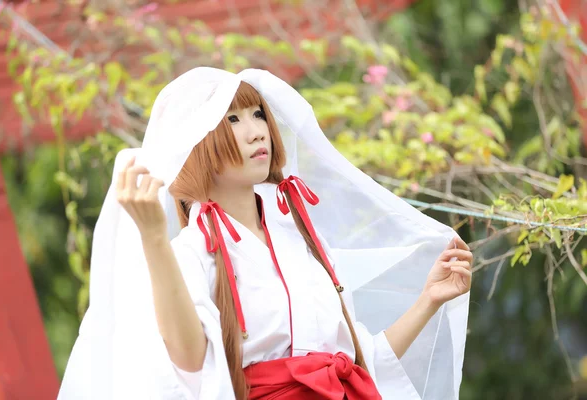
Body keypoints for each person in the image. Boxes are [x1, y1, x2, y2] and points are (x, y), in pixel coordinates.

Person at [58, 68, 472, 400]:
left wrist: (428, 299)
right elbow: (189, 363)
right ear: (196, 143)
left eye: (258, 114)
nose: (256, 131)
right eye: (232, 119)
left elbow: (358, 366)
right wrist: (152, 238)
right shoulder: (189, 253)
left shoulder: (301, 235)